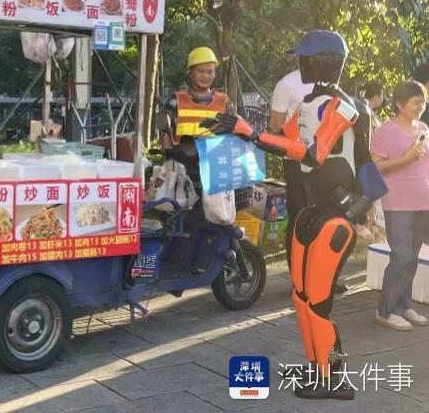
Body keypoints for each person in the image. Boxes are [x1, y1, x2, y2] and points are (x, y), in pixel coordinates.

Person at [203, 30, 387, 400]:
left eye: (307, 57)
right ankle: (316, 366)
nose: (301, 63)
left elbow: (314, 153)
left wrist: (251, 134)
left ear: (326, 62)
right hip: (311, 211)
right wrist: (243, 132)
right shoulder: (307, 104)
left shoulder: (343, 107)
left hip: (336, 217)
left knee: (318, 304)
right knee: (301, 297)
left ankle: (333, 377)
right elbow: (286, 142)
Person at [370, 80, 429, 331]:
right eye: (416, 102)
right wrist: (406, 158)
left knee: (412, 258)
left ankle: (404, 306)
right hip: (398, 202)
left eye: (423, 102)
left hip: (422, 201)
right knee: (401, 256)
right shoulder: (386, 131)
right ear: (399, 103)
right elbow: (375, 167)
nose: (421, 107)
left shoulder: (423, 128)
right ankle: (385, 310)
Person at [159, 46, 233, 197]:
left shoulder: (224, 103)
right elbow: (165, 134)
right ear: (190, 72)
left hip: (214, 173)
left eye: (210, 71)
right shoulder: (175, 101)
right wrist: (168, 162)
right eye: (201, 71)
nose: (205, 76)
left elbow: (233, 134)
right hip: (183, 176)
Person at [270, 68, 313, 272]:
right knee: (299, 217)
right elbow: (275, 126)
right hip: (296, 161)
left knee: (322, 218)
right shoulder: (288, 84)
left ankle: (319, 273)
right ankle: (297, 275)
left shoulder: (330, 82)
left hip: (324, 161)